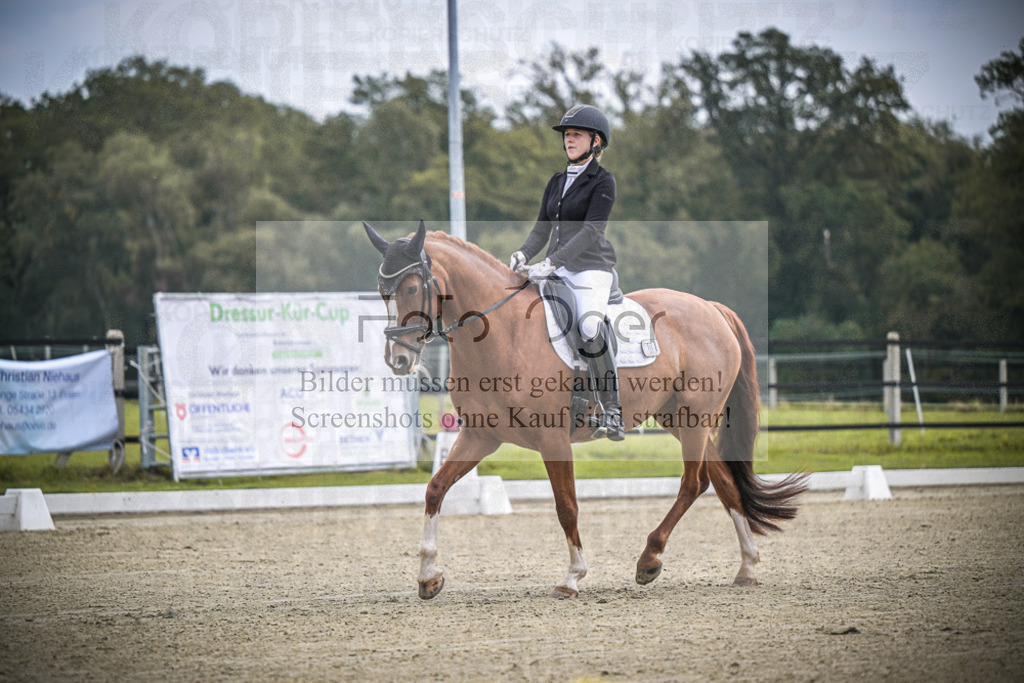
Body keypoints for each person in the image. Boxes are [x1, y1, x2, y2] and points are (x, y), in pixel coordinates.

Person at [509, 104, 624, 441]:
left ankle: (613, 410)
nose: (569, 139)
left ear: (596, 140)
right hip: (555, 269)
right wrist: (523, 253)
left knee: (589, 325)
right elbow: (540, 230)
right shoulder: (557, 181)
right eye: (567, 135)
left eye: (576, 134)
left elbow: (591, 232)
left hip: (591, 269)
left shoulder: (604, 181)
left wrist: (551, 262)